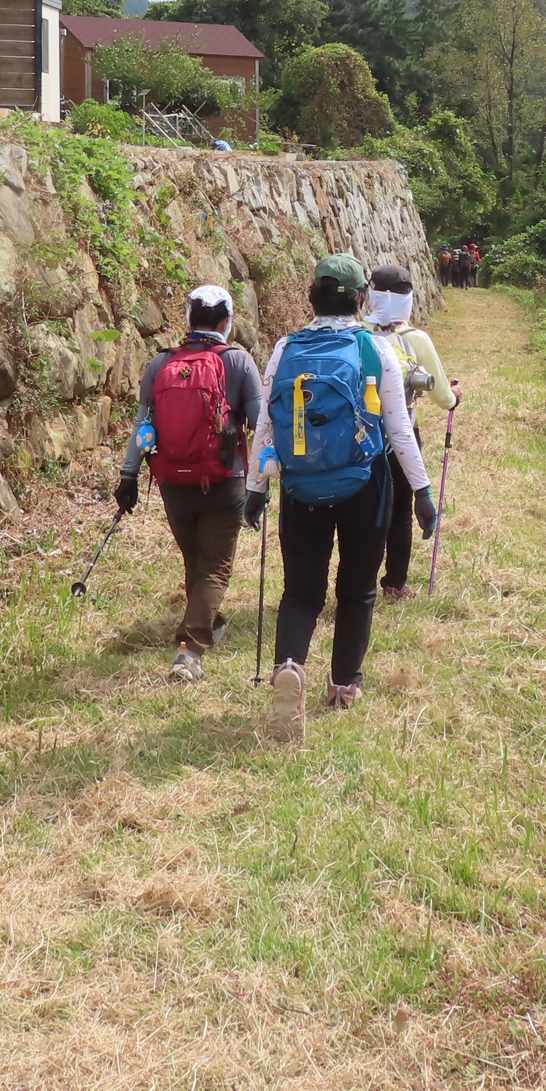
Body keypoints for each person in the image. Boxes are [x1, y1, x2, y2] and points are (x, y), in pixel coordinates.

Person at [250, 252, 435, 741]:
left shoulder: (286, 347)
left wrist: (254, 488)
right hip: (364, 483)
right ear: (360, 299)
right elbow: (399, 428)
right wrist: (421, 490)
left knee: (301, 592)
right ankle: (343, 686)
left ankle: (290, 666)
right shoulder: (376, 350)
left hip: (300, 485)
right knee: (357, 590)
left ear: (311, 295)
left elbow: (266, 424)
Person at [115, 284, 266, 683]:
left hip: (172, 481)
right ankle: (189, 651)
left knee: (196, 561)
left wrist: (129, 475)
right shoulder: (238, 361)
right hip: (224, 480)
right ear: (227, 321)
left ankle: (210, 623)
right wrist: (263, 479)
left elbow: (142, 424)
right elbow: (261, 424)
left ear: (188, 317)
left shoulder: (161, 362)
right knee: (214, 567)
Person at [364, 261, 457, 603]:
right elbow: (443, 397)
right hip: (402, 434)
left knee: (364, 510)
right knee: (401, 511)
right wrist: (454, 398)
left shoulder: (358, 334)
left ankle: (360, 581)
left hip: (359, 436)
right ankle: (394, 584)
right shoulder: (416, 339)